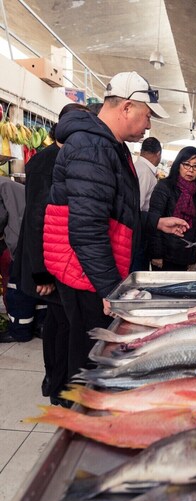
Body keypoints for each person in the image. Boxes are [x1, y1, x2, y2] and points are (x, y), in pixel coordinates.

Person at [43, 71, 189, 381]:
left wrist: (156, 222)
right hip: (85, 271)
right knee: (88, 356)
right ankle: (79, 418)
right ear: (125, 107)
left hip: (89, 269)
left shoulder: (109, 145)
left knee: (88, 350)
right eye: (146, 115)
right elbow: (86, 229)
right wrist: (111, 290)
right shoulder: (92, 148)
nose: (148, 125)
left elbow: (114, 211)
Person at [12, 103, 92, 404]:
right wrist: (42, 273)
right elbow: (36, 219)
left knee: (58, 323)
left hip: (53, 259)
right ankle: (58, 386)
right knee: (61, 326)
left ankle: (55, 383)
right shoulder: (50, 162)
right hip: (47, 263)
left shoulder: (59, 157)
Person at [0, 177, 48, 343]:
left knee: (17, 288)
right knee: (37, 284)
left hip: (20, 240)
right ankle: (41, 325)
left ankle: (19, 331)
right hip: (37, 236)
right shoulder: (8, 183)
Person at [147, 146, 196, 271]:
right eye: (186, 164)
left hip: (185, 254)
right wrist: (156, 254)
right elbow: (154, 220)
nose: (190, 170)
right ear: (178, 165)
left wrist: (193, 258)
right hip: (164, 254)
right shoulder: (165, 187)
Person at [131, 136, 162, 271]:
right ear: (158, 154)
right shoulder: (144, 172)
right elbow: (137, 207)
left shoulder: (139, 167)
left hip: (140, 229)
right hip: (139, 231)